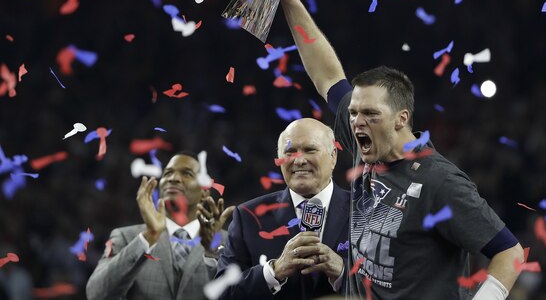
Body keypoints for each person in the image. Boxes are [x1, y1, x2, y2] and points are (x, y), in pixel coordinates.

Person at [278, 0, 525, 299]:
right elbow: (327, 75)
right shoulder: (367, 140)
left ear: (401, 120)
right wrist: (291, 0)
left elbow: (510, 253)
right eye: (354, 113)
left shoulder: (440, 182)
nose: (356, 121)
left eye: (369, 115)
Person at [216, 118, 350, 299]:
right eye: (290, 152)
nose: (299, 160)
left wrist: (344, 272)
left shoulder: (366, 210)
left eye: (310, 150)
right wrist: (274, 272)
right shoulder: (248, 217)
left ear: (333, 155)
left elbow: (395, 285)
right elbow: (223, 293)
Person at [86, 152, 235, 300]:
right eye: (168, 173)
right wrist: (148, 238)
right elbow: (96, 294)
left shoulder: (228, 243)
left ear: (204, 192)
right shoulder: (127, 237)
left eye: (187, 174)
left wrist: (212, 254)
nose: (173, 178)